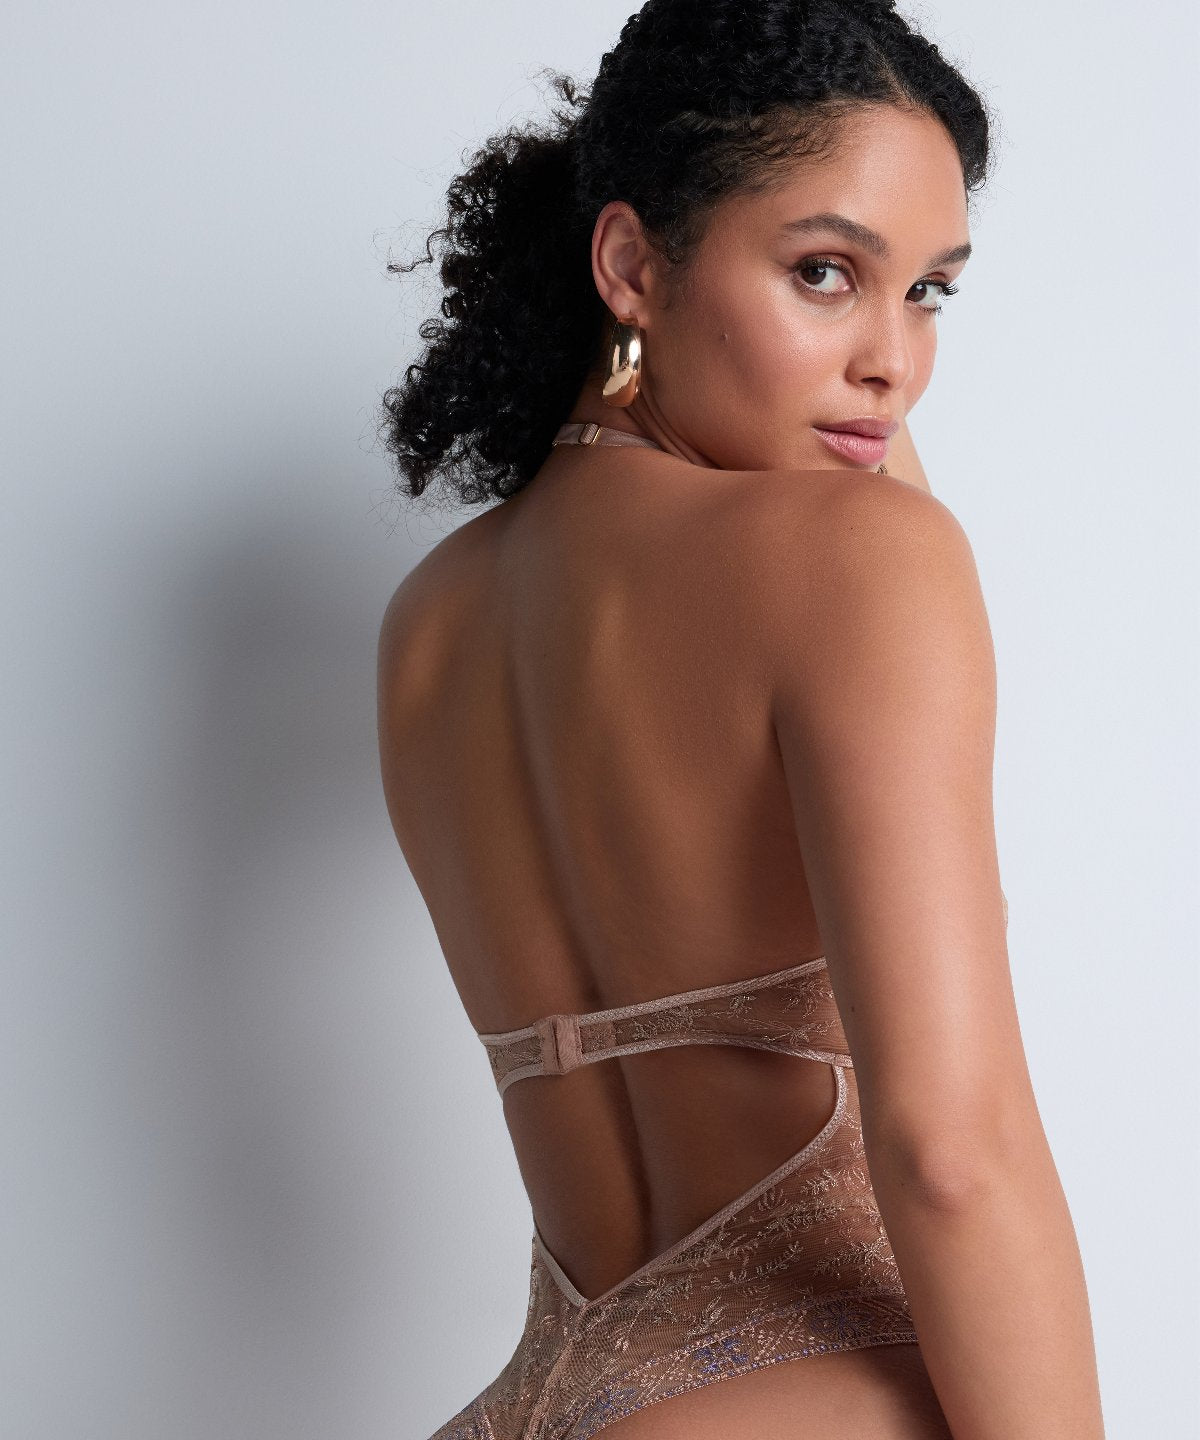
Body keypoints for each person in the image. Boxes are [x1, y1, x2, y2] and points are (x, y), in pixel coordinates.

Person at [375, 2, 1106, 1436]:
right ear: (631, 265)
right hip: (807, 1395)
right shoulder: (861, 567)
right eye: (826, 272)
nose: (895, 363)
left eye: (930, 292)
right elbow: (953, 1157)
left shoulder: (431, 623)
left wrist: (833, 376)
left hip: (530, 1399)